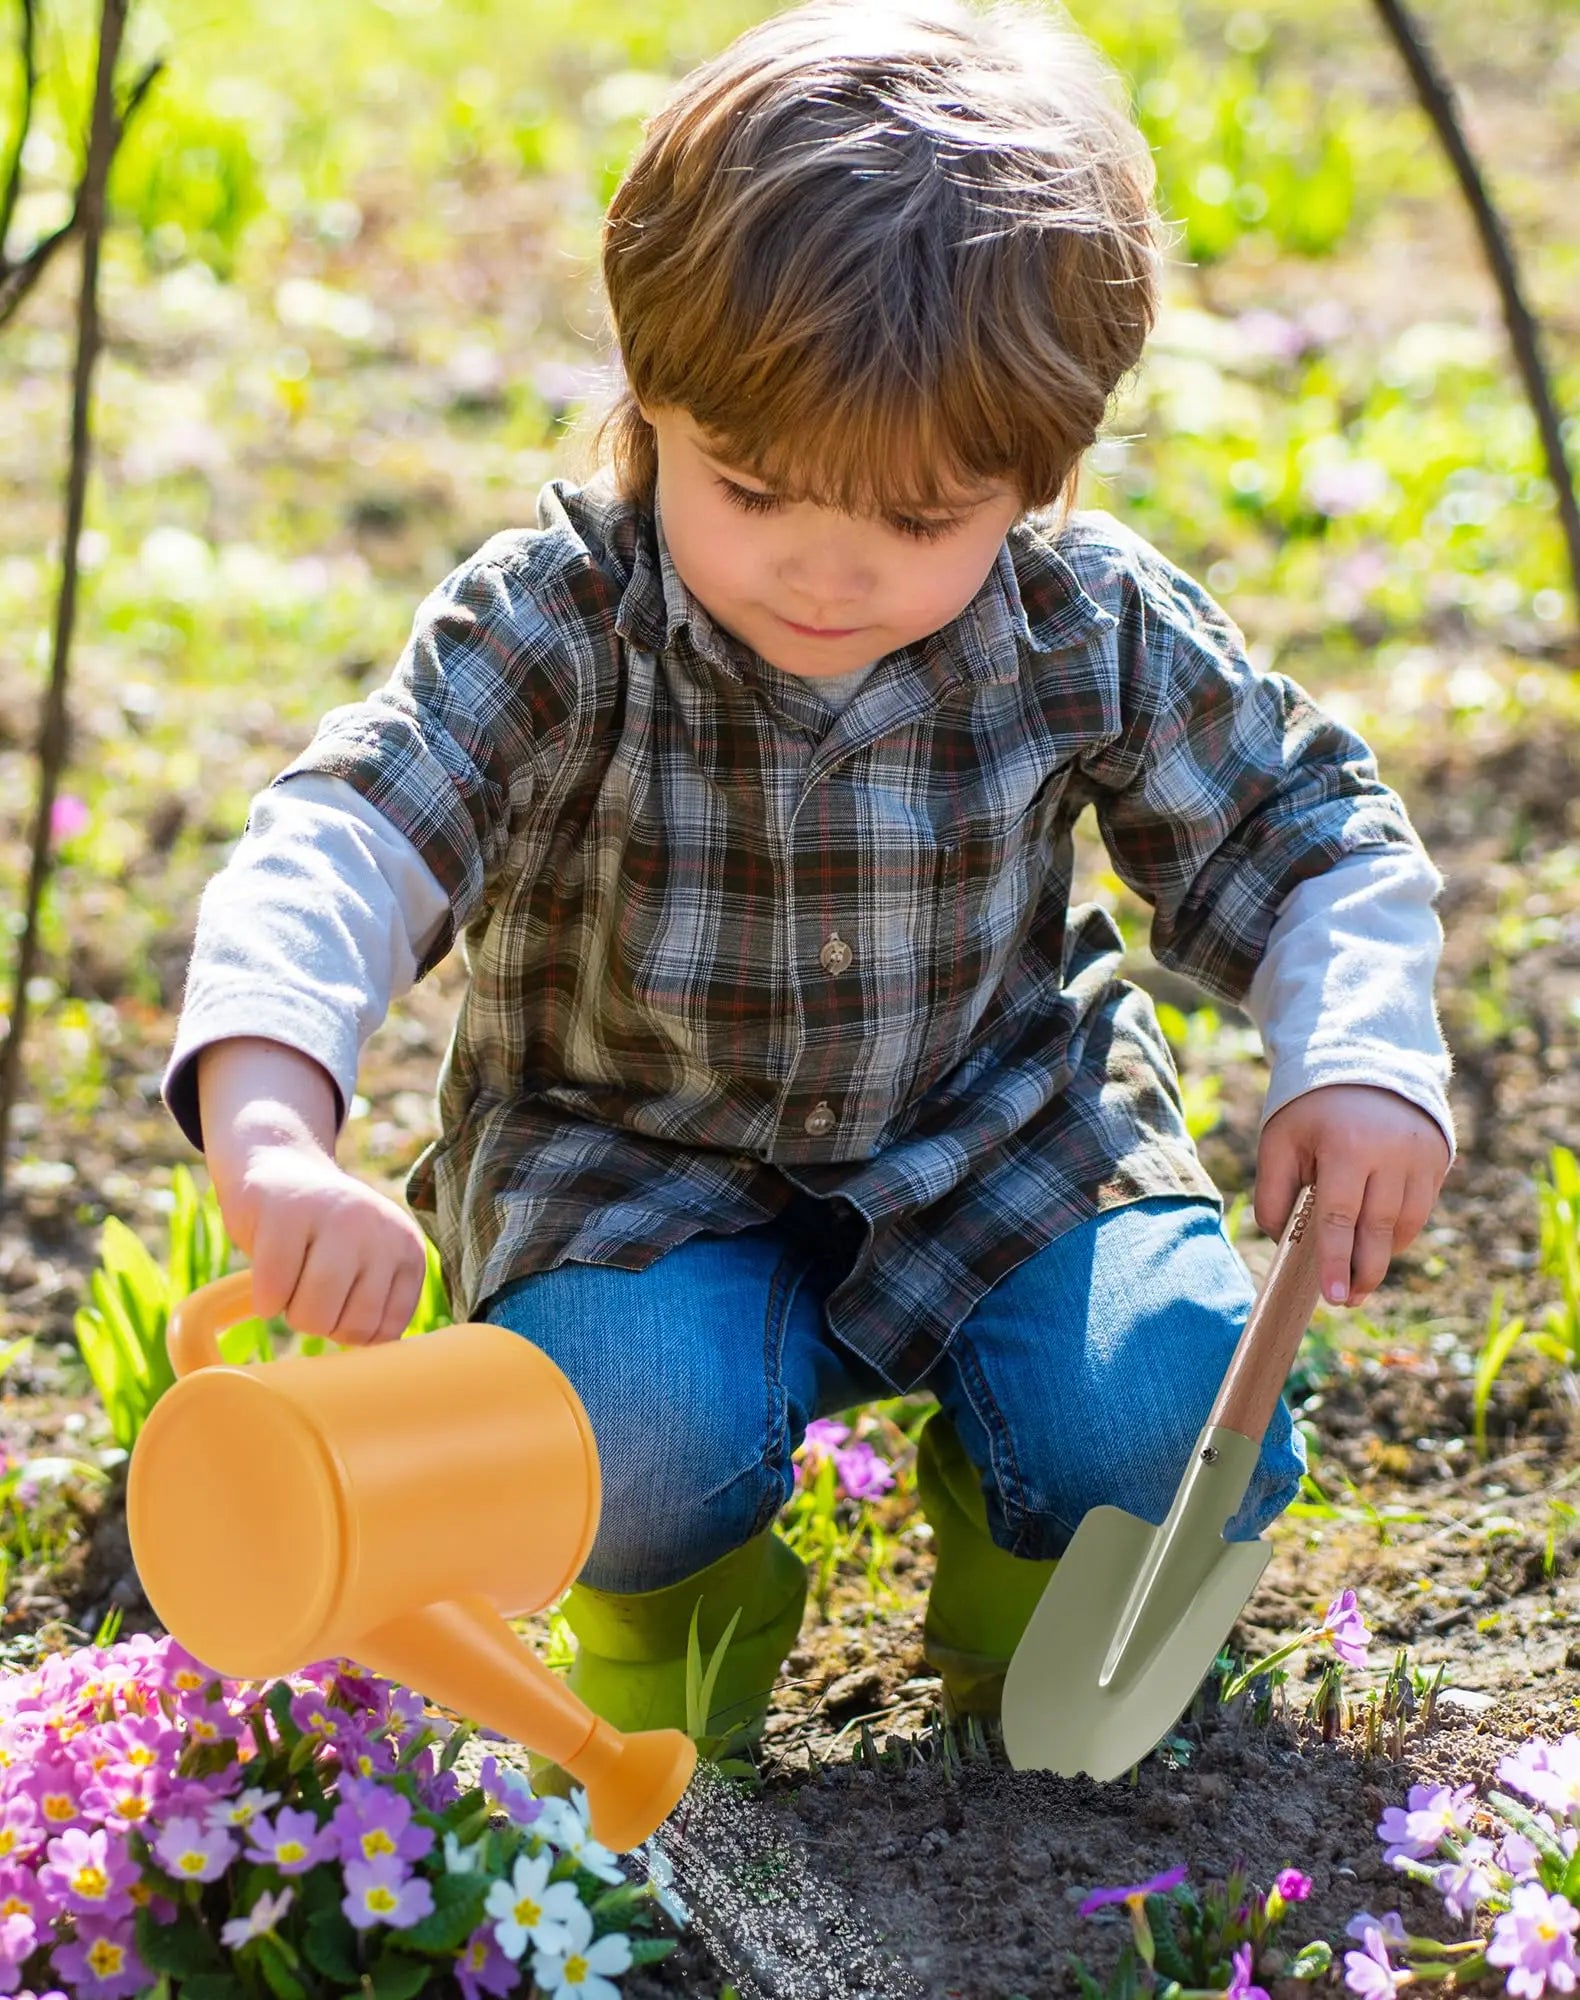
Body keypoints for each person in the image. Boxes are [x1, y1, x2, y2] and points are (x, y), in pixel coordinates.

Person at [164, 0, 1454, 1783]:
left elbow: (1305, 834)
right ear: (648, 405)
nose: (826, 571)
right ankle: (678, 1621)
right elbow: (349, 841)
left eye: (923, 521)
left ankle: (1023, 1606)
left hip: (996, 1130)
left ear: (1043, 476)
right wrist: (273, 1118)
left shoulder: (1080, 623)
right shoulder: (565, 615)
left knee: (1164, 1405)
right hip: (628, 1161)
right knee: (617, 1430)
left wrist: (1362, 1056)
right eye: (751, 486)